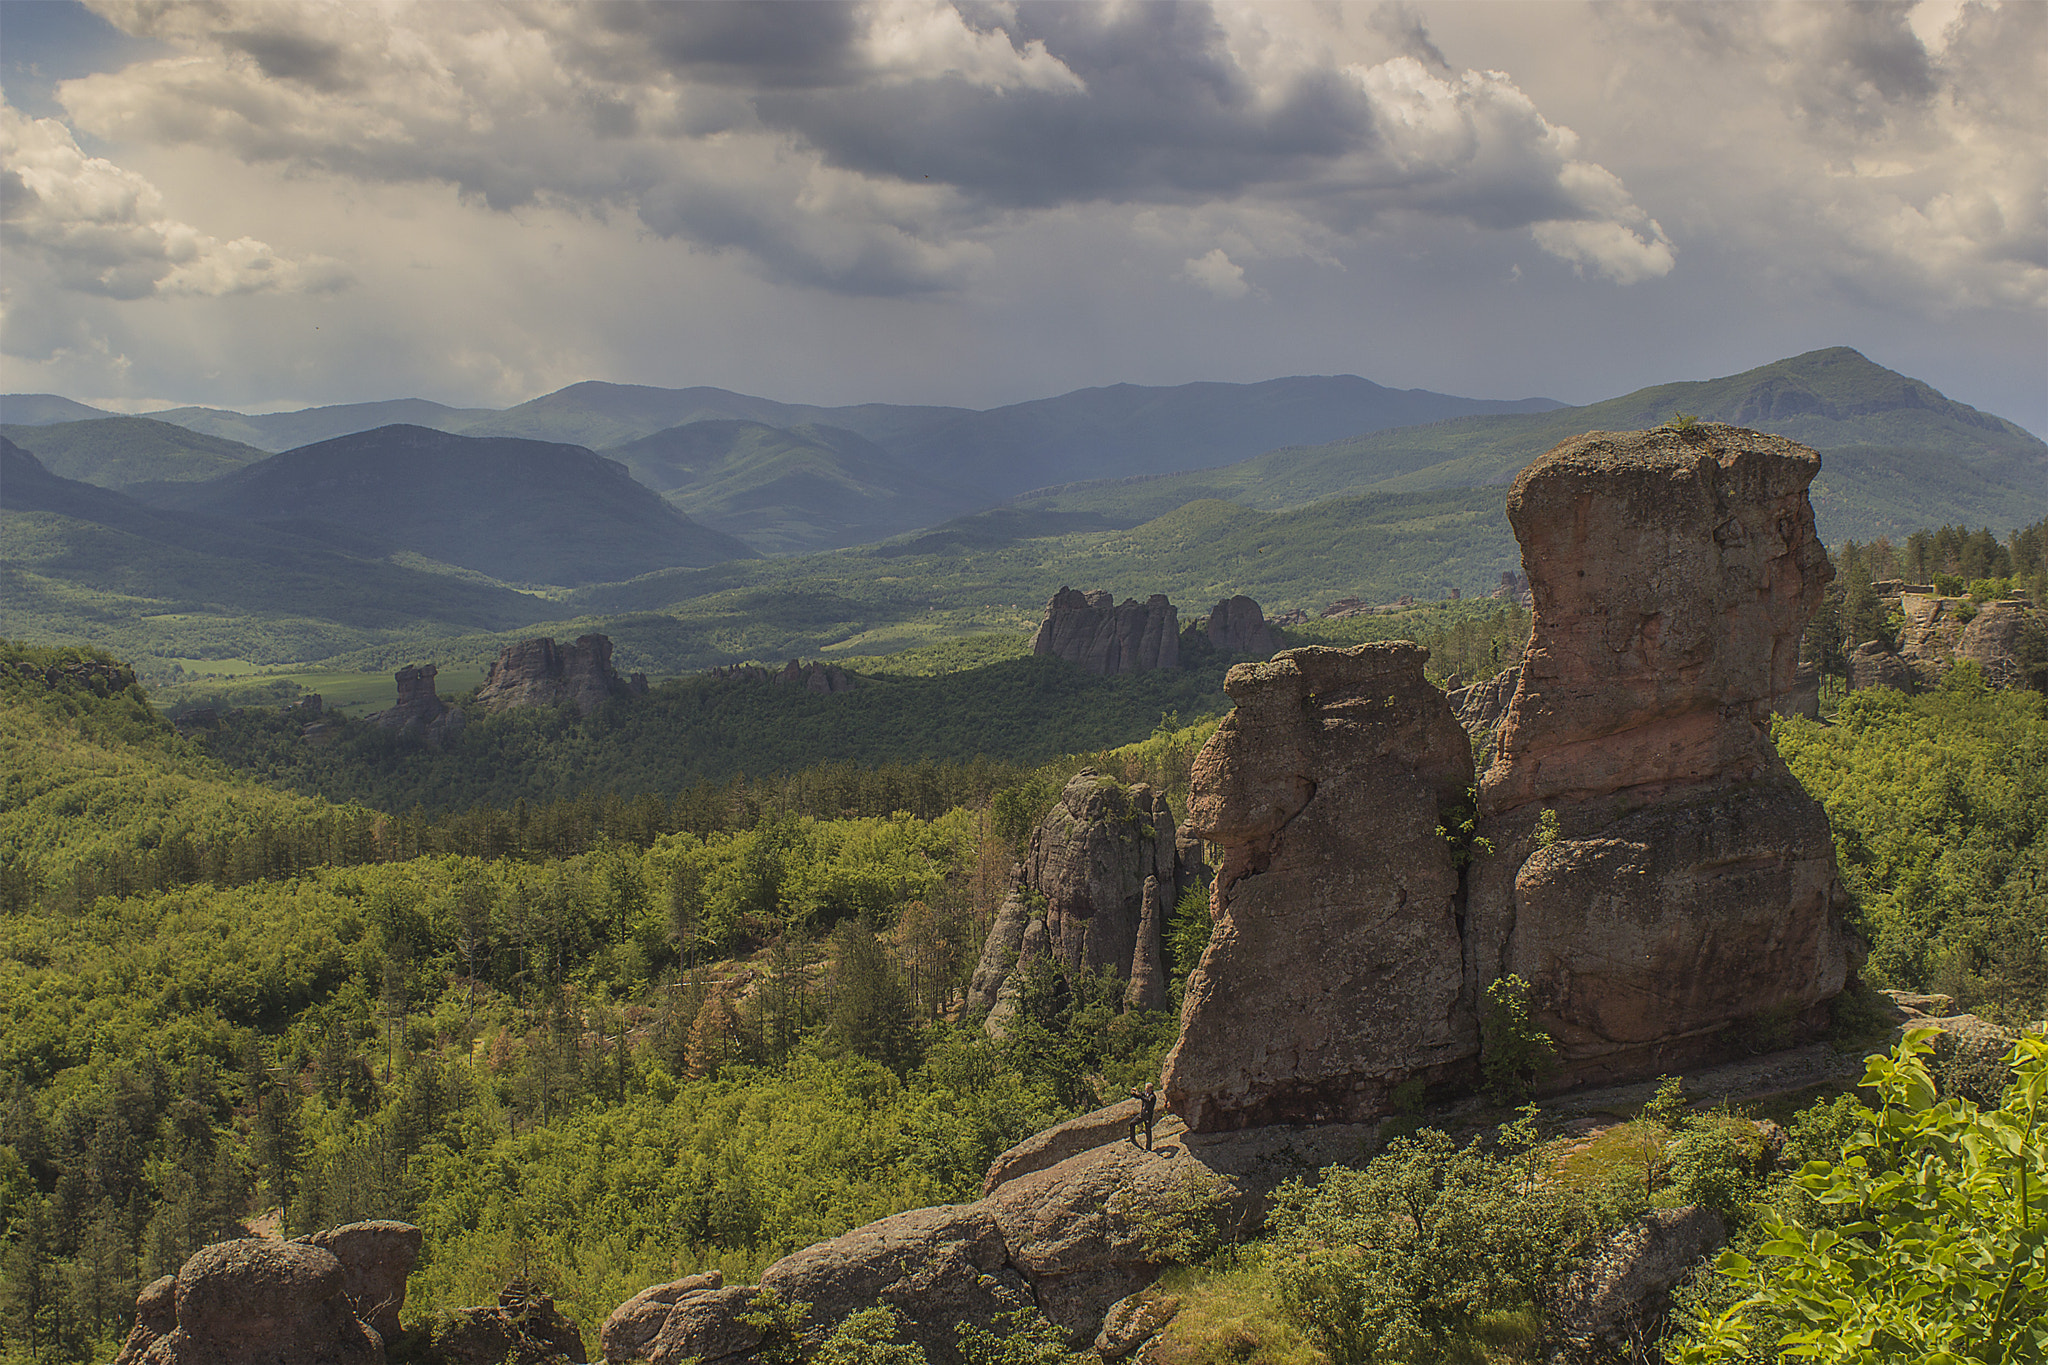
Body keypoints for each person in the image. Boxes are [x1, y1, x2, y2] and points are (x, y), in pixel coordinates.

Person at [1128, 1081, 1157, 1151]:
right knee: (1132, 1123)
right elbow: (1139, 1096)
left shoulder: (1152, 1096)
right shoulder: (1145, 1093)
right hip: (1142, 1114)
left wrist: (1140, 1096)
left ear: (1150, 1089)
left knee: (1148, 1131)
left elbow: (1147, 1101)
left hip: (1148, 1116)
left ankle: (1148, 1148)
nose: (1145, 1089)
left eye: (1147, 1088)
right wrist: (1134, 1093)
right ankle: (1132, 1138)